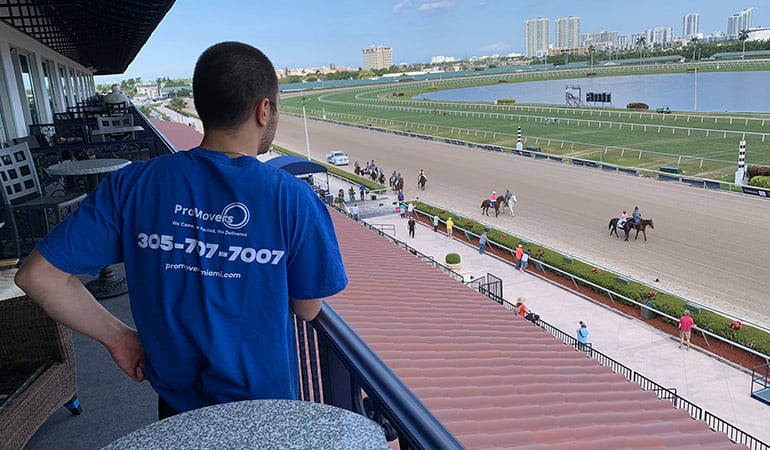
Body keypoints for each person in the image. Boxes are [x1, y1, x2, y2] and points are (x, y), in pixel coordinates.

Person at [14, 41, 349, 420]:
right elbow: (308, 309)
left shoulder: (134, 185)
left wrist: (118, 338)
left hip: (176, 406)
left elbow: (37, 275)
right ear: (263, 109)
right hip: (266, 407)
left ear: (202, 106)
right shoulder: (291, 197)